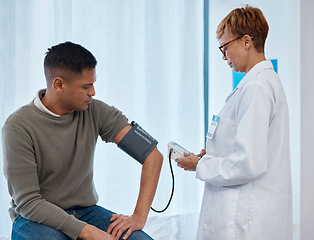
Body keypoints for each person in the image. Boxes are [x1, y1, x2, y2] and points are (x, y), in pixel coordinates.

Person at [2, 41, 163, 240]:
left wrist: (139, 217)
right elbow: (28, 203)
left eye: (93, 84)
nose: (93, 92)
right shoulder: (18, 126)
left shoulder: (95, 110)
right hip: (35, 218)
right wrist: (86, 231)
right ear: (59, 84)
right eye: (86, 86)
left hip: (86, 211)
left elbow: (152, 156)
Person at [175, 5, 293, 240]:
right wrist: (210, 155)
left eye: (225, 47)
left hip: (246, 221)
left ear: (246, 40)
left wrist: (199, 166)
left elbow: (249, 163)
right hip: (243, 215)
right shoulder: (255, 85)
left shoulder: (257, 87)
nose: (223, 56)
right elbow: (248, 148)